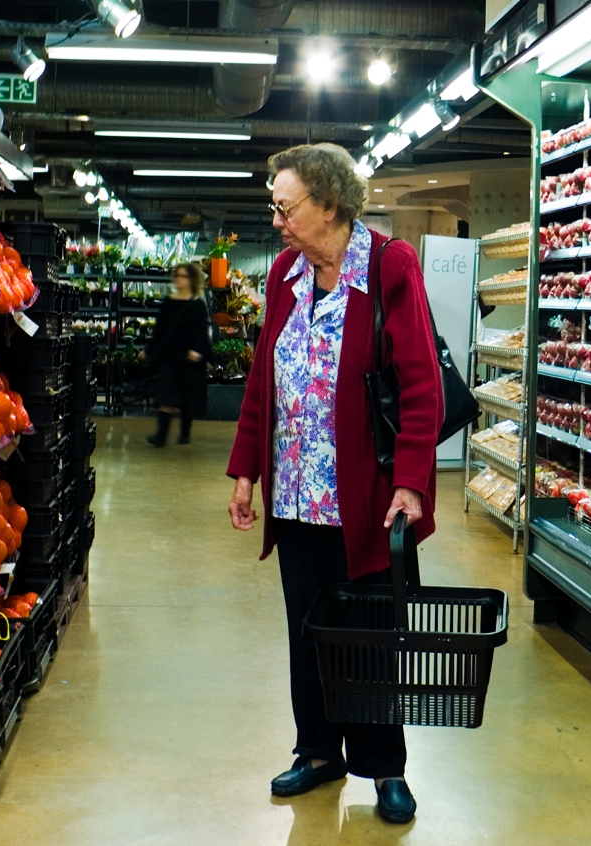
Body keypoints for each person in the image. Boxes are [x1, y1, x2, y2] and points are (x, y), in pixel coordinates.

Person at [226, 143, 443, 824]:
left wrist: (411, 481)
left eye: (285, 207)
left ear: (328, 204)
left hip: (366, 501)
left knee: (370, 635)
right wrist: (246, 469)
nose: (277, 220)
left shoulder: (388, 265)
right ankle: (318, 752)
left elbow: (420, 384)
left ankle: (384, 768)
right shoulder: (285, 275)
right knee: (308, 631)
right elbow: (265, 377)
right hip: (295, 497)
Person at [144, 262, 211, 446]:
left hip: (190, 358)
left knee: (187, 396)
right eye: (178, 276)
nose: (179, 280)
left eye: (183, 276)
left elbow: (201, 330)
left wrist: (197, 350)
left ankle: (184, 432)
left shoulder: (197, 305)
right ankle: (161, 435)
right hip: (170, 355)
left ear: (191, 279)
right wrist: (149, 350)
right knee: (165, 393)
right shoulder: (168, 302)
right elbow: (160, 330)